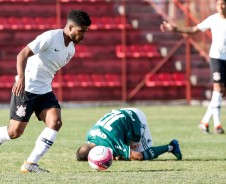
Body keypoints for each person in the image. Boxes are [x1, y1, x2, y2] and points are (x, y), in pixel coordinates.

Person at [0, 10, 91, 173]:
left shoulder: (71, 49)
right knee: (14, 132)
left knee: (55, 122)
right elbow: (22, 55)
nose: (84, 35)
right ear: (71, 27)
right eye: (82, 31)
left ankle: (30, 163)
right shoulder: (50, 37)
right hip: (26, 89)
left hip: (44, 91)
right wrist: (21, 77)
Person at [160, 0, 226, 134]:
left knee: (221, 92)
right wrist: (175, 28)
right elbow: (194, 29)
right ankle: (217, 124)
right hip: (217, 58)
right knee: (218, 88)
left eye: (223, 4)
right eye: (219, 4)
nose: (220, 7)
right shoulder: (213, 19)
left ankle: (205, 121)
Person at [76, 108, 182, 162]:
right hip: (123, 115)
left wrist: (122, 155)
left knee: (141, 155)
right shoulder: (89, 136)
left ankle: (172, 146)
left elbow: (137, 156)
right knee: (122, 153)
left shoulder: (110, 143)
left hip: (136, 119)